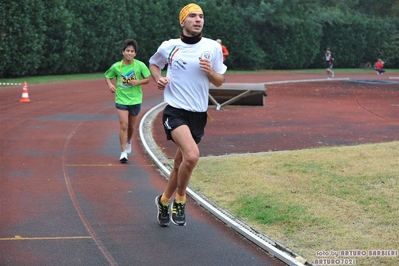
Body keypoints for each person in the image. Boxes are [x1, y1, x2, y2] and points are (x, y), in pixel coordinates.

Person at [149, 3, 227, 227]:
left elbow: (220, 80)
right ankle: (181, 200)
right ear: (182, 21)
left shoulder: (212, 47)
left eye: (201, 16)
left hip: (198, 114)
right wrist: (158, 78)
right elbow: (154, 64)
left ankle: (163, 201)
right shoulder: (169, 46)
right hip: (175, 111)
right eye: (192, 16)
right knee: (192, 156)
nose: (198, 20)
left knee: (179, 164)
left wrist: (210, 71)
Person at [105, 39, 151, 163]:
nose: (129, 53)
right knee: (124, 125)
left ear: (135, 54)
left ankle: (129, 141)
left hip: (135, 99)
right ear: (123, 52)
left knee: (131, 126)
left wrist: (138, 82)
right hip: (121, 99)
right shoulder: (116, 66)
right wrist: (110, 85)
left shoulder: (140, 65)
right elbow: (107, 76)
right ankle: (123, 152)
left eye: (132, 51)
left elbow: (148, 79)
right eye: (127, 51)